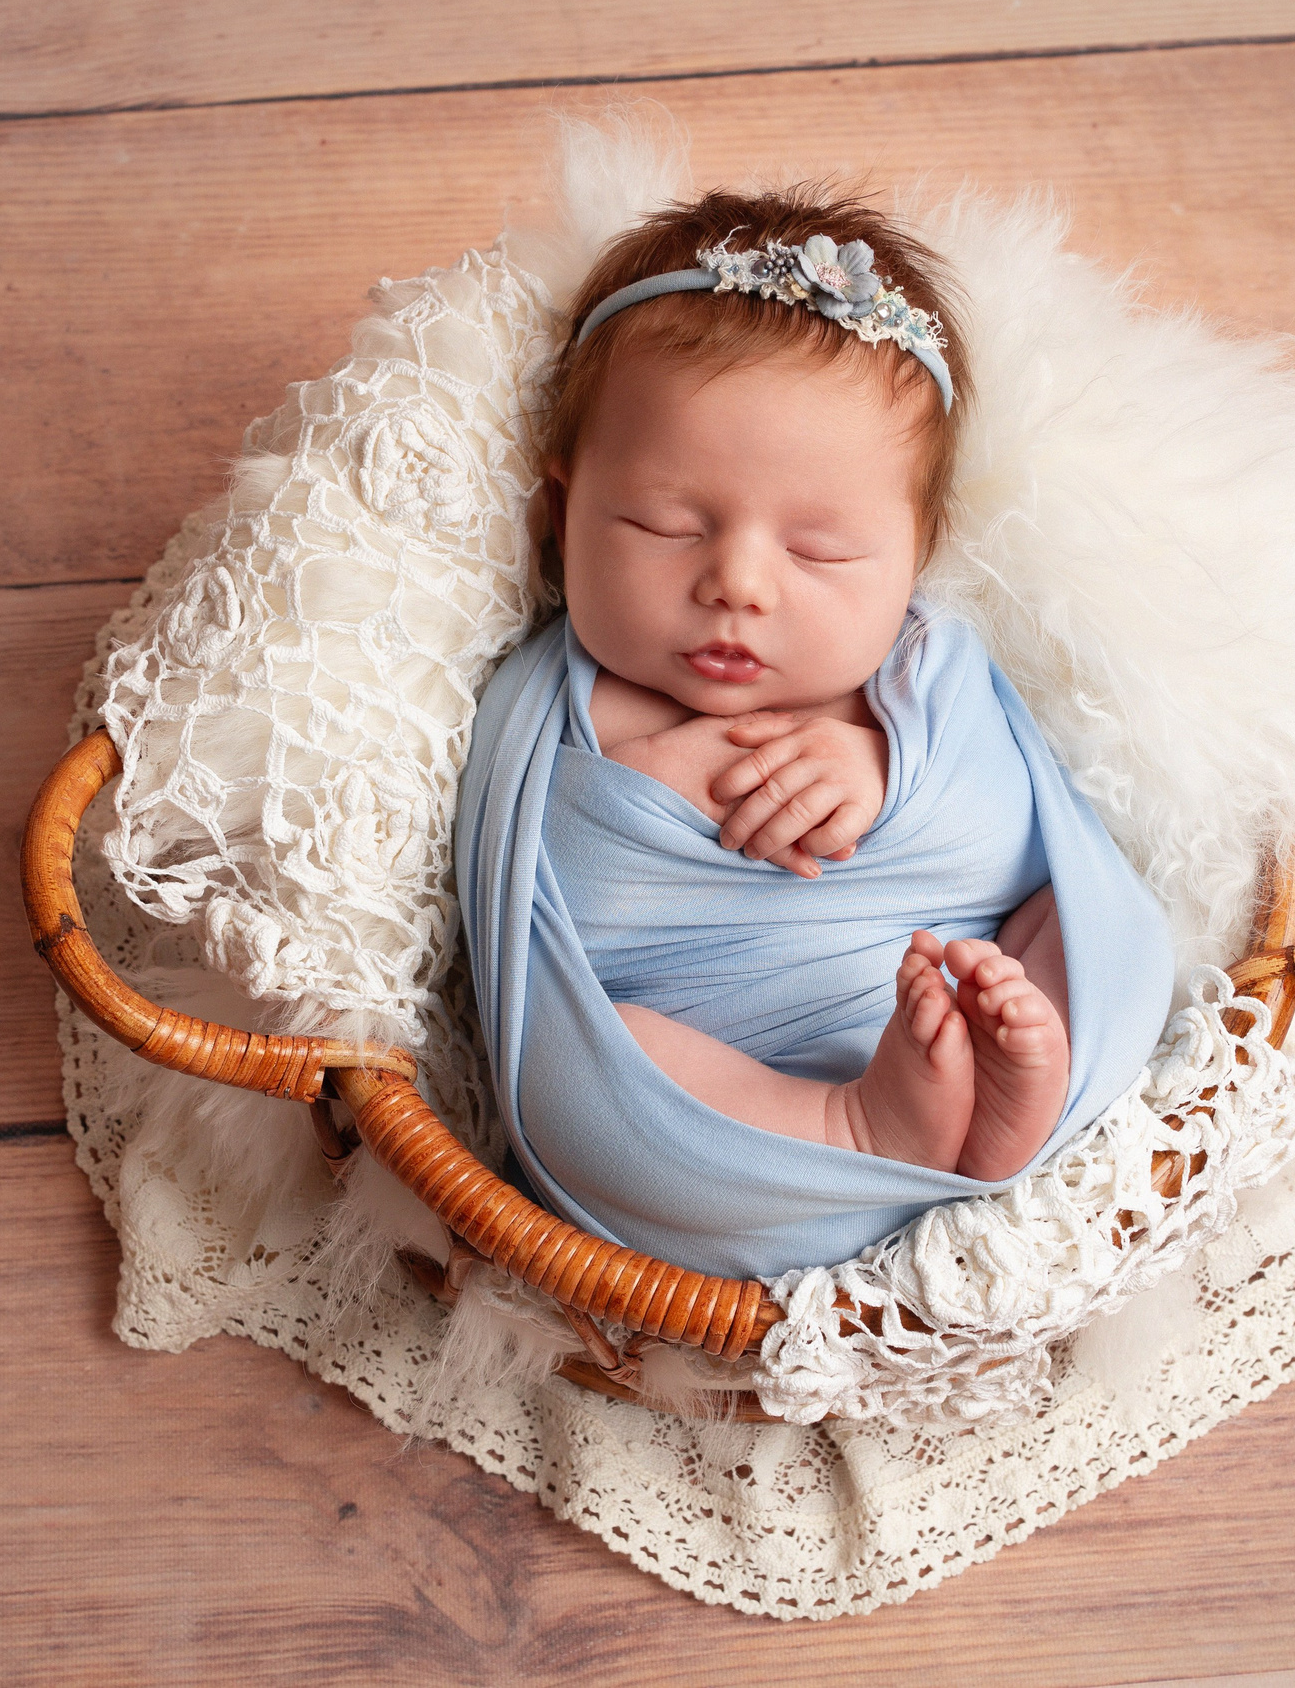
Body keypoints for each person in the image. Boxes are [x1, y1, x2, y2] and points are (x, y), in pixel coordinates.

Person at [457, 188, 1173, 1277]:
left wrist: (883, 771)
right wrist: (636, 801)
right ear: (557, 513)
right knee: (587, 1086)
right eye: (664, 524)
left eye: (823, 550)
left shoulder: (918, 671)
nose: (736, 583)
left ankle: (1012, 1091)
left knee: (1097, 927)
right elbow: (523, 918)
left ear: (916, 554)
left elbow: (1012, 833)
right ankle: (860, 1133)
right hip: (725, 1095)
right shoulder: (543, 701)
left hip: (923, 968)